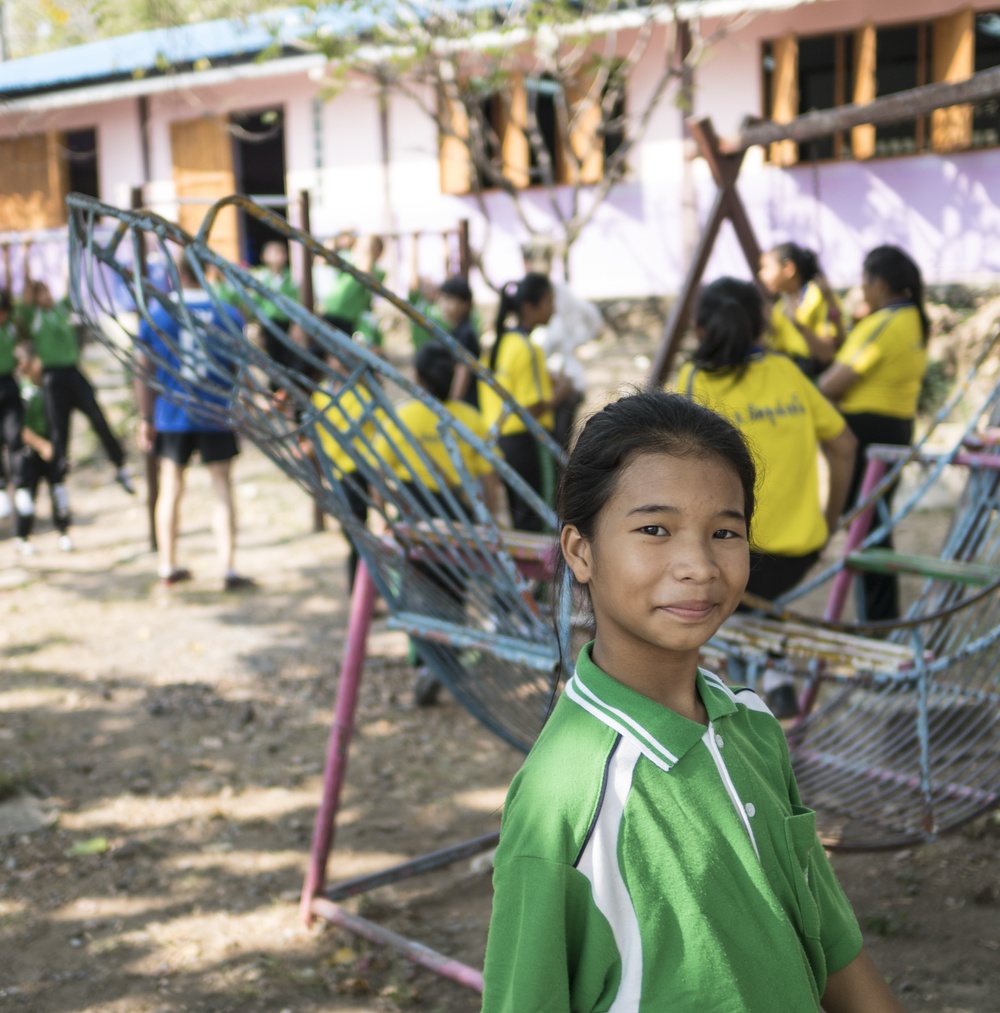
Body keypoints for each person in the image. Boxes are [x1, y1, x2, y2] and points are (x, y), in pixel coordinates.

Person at [481, 389, 904, 1013]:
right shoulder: (566, 798)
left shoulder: (754, 723)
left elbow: (829, 941)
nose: (698, 565)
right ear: (579, 551)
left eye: (724, 531)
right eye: (655, 529)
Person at [675, 277, 857, 717]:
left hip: (738, 558)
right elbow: (845, 445)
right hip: (800, 553)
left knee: (695, 564)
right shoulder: (787, 371)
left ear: (700, 328)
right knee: (743, 584)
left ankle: (717, 684)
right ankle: (773, 675)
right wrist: (829, 520)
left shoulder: (696, 379)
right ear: (762, 324)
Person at [370, 341, 504, 705]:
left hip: (415, 516)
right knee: (455, 588)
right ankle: (447, 661)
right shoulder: (469, 418)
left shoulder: (402, 416)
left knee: (416, 589)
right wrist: (490, 520)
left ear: (418, 378)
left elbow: (379, 472)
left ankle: (426, 660)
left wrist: (380, 515)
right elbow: (489, 477)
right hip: (457, 517)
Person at [819, 245, 930, 622]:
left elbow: (832, 384)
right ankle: (878, 618)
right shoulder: (913, 319)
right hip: (895, 428)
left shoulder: (884, 323)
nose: (862, 289)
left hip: (869, 432)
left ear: (878, 283)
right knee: (872, 525)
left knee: (865, 527)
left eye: (864, 281)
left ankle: (877, 620)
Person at [135, 256, 254, 591]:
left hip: (173, 414)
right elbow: (239, 368)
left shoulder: (157, 314)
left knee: (171, 486)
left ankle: (167, 564)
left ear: (176, 275)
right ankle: (228, 568)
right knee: (221, 487)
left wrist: (145, 416)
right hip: (215, 411)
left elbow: (143, 369)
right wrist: (239, 408)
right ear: (207, 272)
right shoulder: (228, 314)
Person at [19, 264, 135, 505]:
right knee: (60, 432)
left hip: (73, 372)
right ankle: (58, 481)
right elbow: (27, 291)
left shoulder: (62, 309)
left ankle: (120, 466)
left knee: (98, 418)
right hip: (53, 378)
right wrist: (27, 255)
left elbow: (68, 280)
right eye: (41, 293)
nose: (46, 296)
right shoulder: (34, 317)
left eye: (47, 291)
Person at [478, 273, 569, 533]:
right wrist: (561, 392)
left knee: (521, 514)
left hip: (501, 440)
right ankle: (541, 574)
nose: (553, 310)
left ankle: (525, 572)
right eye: (548, 302)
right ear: (529, 307)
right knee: (539, 516)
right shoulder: (529, 348)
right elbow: (531, 407)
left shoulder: (499, 342)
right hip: (528, 440)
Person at [522, 240, 603, 450]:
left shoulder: (557, 293)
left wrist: (574, 342)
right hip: (546, 377)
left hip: (561, 377)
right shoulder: (536, 292)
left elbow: (592, 320)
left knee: (558, 443)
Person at [13, 344, 72, 554]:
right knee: (27, 497)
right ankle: (22, 537)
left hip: (52, 449)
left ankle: (64, 532)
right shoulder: (21, 391)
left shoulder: (49, 386)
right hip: (30, 452)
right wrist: (41, 444)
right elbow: (17, 428)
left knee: (58, 491)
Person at [758, 242, 846, 377]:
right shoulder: (780, 307)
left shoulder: (818, 296)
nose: (761, 275)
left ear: (788, 268)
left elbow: (826, 354)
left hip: (822, 375)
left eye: (766, 268)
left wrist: (798, 325)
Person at [319, 234, 386, 349]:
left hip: (348, 319)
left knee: (339, 352)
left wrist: (366, 252)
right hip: (329, 311)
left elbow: (366, 275)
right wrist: (338, 241)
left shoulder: (379, 271)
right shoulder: (349, 259)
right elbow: (322, 260)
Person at [250, 240, 301, 375]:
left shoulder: (292, 278)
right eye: (274, 253)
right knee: (271, 356)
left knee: (286, 356)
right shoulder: (260, 277)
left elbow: (296, 303)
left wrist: (295, 325)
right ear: (264, 256)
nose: (278, 256)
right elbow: (255, 303)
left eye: (282, 253)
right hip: (267, 323)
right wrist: (257, 324)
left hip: (286, 323)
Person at [0, 289, 27, 531]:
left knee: (15, 435)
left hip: (8, 383)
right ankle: (1, 488)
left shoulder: (9, 325)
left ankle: (20, 486)